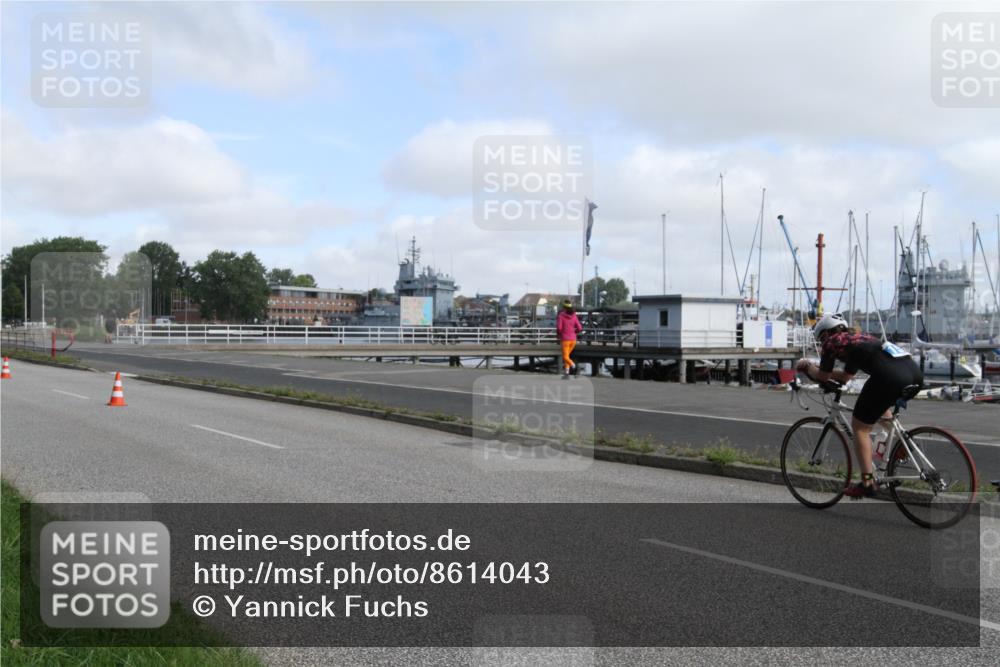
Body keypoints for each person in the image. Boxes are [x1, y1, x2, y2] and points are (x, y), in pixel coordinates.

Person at [796, 313, 923, 498]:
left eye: (821, 338)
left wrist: (807, 366)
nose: (822, 343)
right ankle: (902, 443)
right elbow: (846, 377)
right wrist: (827, 374)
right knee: (879, 406)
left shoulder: (832, 342)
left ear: (826, 334)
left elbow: (823, 376)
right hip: (914, 374)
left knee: (860, 427)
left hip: (889, 377)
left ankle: (867, 483)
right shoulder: (860, 339)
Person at [556, 299, 583, 378]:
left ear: (564, 307)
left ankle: (575, 367)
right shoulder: (574, 316)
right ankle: (566, 374)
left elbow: (559, 328)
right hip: (573, 340)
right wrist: (574, 332)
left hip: (565, 340)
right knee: (567, 356)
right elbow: (580, 328)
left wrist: (559, 334)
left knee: (565, 357)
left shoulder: (561, 316)